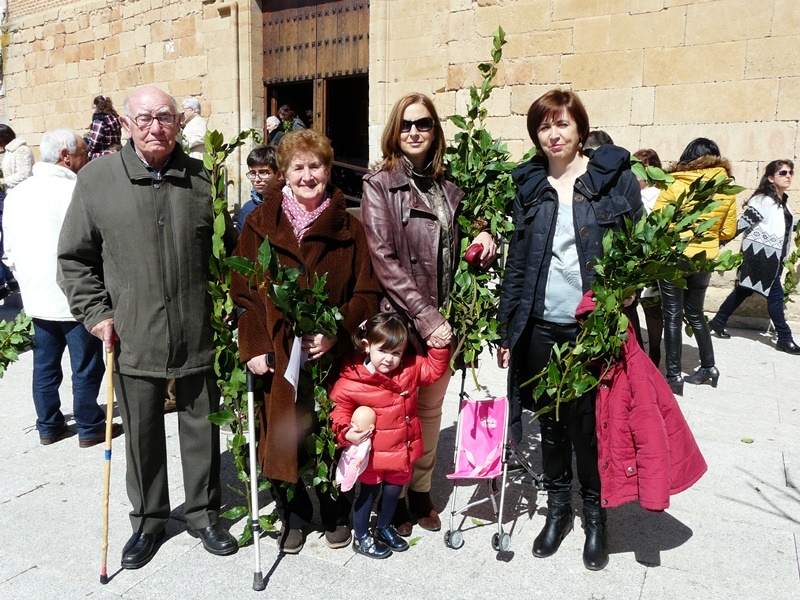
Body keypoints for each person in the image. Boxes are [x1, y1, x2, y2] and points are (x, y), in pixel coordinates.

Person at [57, 85, 238, 570]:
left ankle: (203, 514)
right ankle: (149, 521)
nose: (155, 126)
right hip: (132, 332)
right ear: (127, 124)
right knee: (140, 434)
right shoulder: (96, 179)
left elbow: (229, 252)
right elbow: (74, 260)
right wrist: (96, 315)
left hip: (197, 328)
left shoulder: (202, 179)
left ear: (178, 123)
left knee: (201, 427)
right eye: (144, 118)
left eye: (164, 116)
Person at [496, 89, 642, 571]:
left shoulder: (613, 179)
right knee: (552, 423)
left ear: (580, 127)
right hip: (540, 325)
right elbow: (517, 262)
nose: (554, 135)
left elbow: (638, 249)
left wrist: (625, 296)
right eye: (544, 127)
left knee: (590, 424)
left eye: (562, 125)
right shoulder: (529, 185)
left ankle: (596, 516)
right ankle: (558, 511)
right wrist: (507, 328)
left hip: (593, 326)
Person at [230, 129, 381, 555]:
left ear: (329, 170)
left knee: (334, 431)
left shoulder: (350, 227)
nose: (308, 175)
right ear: (284, 173)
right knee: (281, 431)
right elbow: (242, 292)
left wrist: (338, 332)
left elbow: (367, 292)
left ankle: (334, 509)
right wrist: (256, 345)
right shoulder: (259, 225)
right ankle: (292, 514)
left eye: (316, 166)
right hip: (279, 355)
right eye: (298, 167)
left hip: (332, 356)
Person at [360, 92, 497, 536]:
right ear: (394, 133)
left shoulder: (448, 183)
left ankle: (421, 489)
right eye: (406, 125)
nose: (414, 132)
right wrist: (427, 317)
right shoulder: (379, 184)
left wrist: (485, 232)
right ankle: (394, 496)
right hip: (405, 322)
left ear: (436, 130)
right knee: (398, 413)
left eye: (423, 124)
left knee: (432, 411)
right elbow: (384, 257)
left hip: (445, 316)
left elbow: (472, 224)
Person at [4, 129, 122, 447]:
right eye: (84, 152)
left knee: (45, 363)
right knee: (85, 364)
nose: (88, 158)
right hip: (75, 294)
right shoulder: (76, 191)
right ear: (66, 157)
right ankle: (89, 425)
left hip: (37, 295)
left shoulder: (17, 193)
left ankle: (49, 425)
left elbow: (9, 249)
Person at [330, 313, 450, 558]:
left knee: (394, 492)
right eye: (383, 351)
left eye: (396, 353)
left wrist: (438, 347)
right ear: (366, 346)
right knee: (368, 495)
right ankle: (362, 536)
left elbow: (433, 370)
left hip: (400, 450)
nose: (389, 359)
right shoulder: (352, 380)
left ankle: (384, 526)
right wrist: (346, 433)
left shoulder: (408, 369)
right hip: (372, 456)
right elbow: (339, 411)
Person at [654, 138, 737, 394]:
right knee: (696, 313)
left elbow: (657, 222)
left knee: (672, 315)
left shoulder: (675, 183)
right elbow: (728, 230)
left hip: (674, 257)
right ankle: (709, 367)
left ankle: (674, 375)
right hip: (705, 258)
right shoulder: (725, 188)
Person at [710, 160, 800, 354]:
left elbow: (781, 226)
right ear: (770, 177)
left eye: (790, 172)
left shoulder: (782, 201)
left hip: (774, 257)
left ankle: (718, 321)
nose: (788, 176)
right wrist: (719, 241)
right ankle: (785, 338)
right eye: (783, 172)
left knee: (744, 290)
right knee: (775, 296)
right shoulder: (763, 200)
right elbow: (744, 222)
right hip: (761, 256)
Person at [633, 148, 666, 366]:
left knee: (650, 309)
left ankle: (651, 354)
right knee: (641, 308)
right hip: (642, 259)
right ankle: (646, 355)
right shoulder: (634, 195)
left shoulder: (656, 196)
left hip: (647, 259)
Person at [0, 124, 32, 299]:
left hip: (21, 199)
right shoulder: (9, 151)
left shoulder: (21, 150)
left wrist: (4, 180)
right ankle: (12, 279)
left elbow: (25, 174)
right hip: (11, 198)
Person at [236, 145, 282, 232]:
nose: (257, 179)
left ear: (279, 175)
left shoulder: (290, 206)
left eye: (263, 173)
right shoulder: (247, 208)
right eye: (253, 173)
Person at [86, 95, 122, 160]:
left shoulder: (99, 120)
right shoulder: (116, 119)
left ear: (96, 106)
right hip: (117, 154)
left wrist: (88, 150)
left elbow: (95, 141)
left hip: (102, 156)